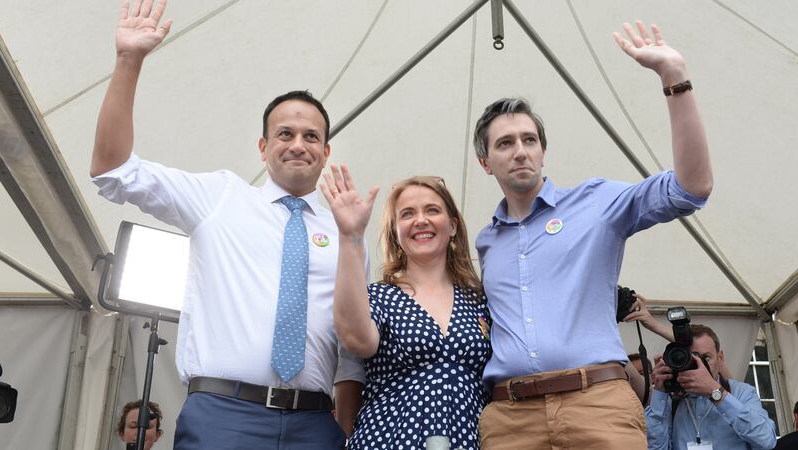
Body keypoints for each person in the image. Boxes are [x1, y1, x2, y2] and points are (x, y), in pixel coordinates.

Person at [91, 1, 363, 448]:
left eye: (311, 136)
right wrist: (128, 60)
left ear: (326, 151)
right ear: (263, 147)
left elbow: (352, 351)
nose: (299, 144)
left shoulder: (346, 229)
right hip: (224, 416)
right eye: (285, 134)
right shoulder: (219, 197)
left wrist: (346, 431)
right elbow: (112, 171)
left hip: (315, 423)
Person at [474, 21, 713, 449]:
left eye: (529, 139)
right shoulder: (486, 242)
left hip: (597, 403)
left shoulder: (597, 202)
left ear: (543, 151)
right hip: (510, 418)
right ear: (485, 162)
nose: (521, 150)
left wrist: (675, 79)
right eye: (505, 143)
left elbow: (690, 188)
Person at [321, 166, 491, 449]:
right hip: (389, 440)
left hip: (469, 439)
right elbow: (357, 340)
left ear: (452, 225)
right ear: (395, 231)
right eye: (408, 214)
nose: (420, 220)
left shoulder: (480, 300)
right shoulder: (377, 296)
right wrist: (350, 238)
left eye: (432, 210)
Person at [647, 324, 777, 449]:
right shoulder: (672, 399)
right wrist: (660, 392)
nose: (700, 365)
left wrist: (716, 393)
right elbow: (655, 447)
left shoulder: (741, 392)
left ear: (720, 358)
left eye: (705, 358)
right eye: (691, 359)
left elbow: (766, 440)